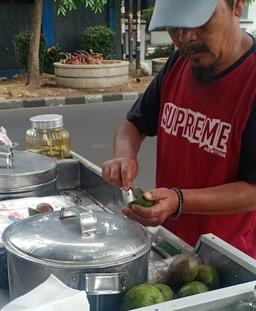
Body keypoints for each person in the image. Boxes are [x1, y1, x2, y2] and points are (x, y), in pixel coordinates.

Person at [102, 0, 256, 258]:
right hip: (169, 243)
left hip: (227, 257)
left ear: (237, 5)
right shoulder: (179, 63)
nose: (185, 38)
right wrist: (124, 156)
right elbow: (134, 124)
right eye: (175, 26)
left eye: (198, 22)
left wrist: (179, 200)